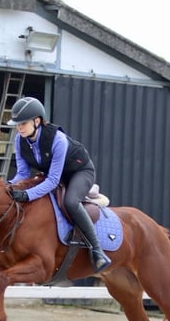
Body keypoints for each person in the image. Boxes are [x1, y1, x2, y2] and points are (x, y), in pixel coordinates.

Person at [7, 96, 112, 274]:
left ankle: (97, 251)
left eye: (22, 123)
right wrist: (6, 187)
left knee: (71, 202)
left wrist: (28, 195)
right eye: (17, 124)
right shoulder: (19, 140)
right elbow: (23, 174)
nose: (19, 127)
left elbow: (53, 180)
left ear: (37, 121)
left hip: (79, 172)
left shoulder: (58, 139)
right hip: (56, 175)